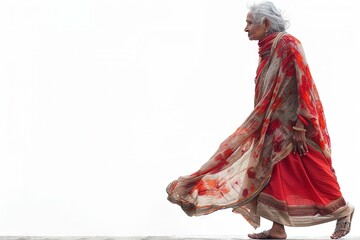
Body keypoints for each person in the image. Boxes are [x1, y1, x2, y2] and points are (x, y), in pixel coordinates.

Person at [166, 1, 354, 239]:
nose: (245, 28)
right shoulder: (267, 50)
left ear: (265, 23)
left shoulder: (288, 43)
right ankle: (277, 230)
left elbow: (303, 83)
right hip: (272, 126)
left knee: (313, 168)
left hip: (296, 126)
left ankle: (344, 212)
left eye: (249, 23)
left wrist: (300, 125)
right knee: (272, 173)